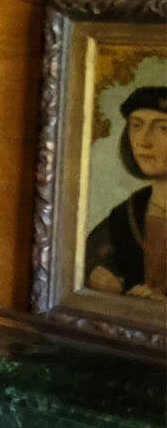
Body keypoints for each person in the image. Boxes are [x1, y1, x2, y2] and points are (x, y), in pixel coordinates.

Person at [83, 85, 167, 300]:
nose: (144, 141)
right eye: (136, 126)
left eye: (163, 128)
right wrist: (103, 281)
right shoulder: (123, 217)